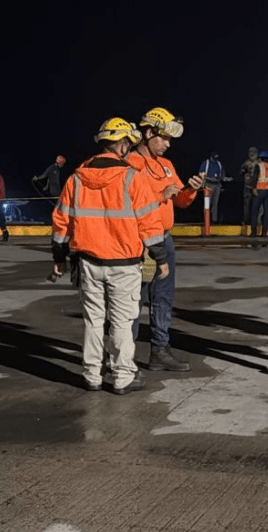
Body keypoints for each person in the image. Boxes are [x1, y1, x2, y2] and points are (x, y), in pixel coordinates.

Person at [51, 118, 168, 395]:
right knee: (121, 322)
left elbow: (61, 224)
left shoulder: (76, 179)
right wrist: (160, 257)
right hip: (124, 265)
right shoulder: (132, 178)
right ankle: (123, 377)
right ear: (124, 144)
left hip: (89, 263)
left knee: (93, 321)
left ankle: (91, 375)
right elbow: (149, 223)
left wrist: (58, 258)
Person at [128, 106, 205, 372]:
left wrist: (190, 190)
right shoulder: (130, 164)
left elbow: (180, 201)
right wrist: (161, 196)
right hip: (140, 242)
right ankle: (125, 359)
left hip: (165, 239)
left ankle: (159, 351)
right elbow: (129, 205)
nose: (168, 145)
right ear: (148, 133)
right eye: (164, 138)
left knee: (163, 297)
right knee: (132, 300)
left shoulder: (167, 165)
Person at [249, 150, 268, 237]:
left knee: (254, 211)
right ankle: (264, 233)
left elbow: (255, 177)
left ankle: (254, 232)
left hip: (260, 190)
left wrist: (253, 188)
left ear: (260, 159)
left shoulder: (259, 166)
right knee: (267, 212)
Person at [198, 152, 230, 223]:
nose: (215, 159)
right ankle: (206, 220)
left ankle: (214, 220)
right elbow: (201, 173)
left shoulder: (218, 163)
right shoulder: (206, 163)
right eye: (214, 158)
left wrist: (221, 178)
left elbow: (222, 174)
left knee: (215, 203)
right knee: (207, 203)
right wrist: (208, 178)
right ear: (211, 157)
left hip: (217, 185)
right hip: (208, 184)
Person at [239, 147, 259, 228]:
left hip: (257, 186)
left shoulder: (259, 162)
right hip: (247, 186)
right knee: (247, 204)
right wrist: (243, 171)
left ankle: (257, 221)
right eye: (250, 152)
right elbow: (240, 172)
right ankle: (246, 220)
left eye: (253, 152)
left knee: (257, 204)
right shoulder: (246, 163)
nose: (252, 154)